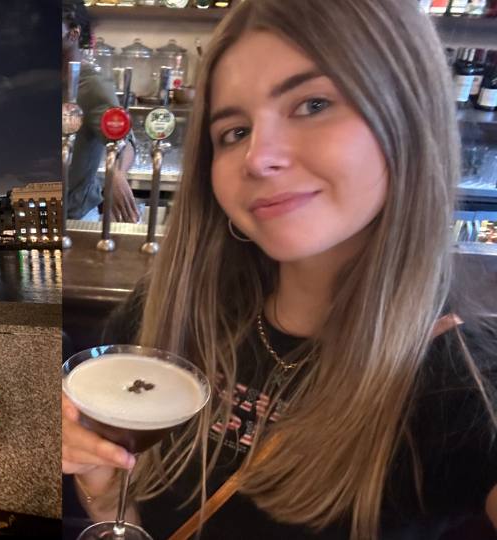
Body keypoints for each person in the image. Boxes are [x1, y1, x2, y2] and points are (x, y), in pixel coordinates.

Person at [61, 0, 497, 538]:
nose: (258, 157)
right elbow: (125, 523)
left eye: (313, 104)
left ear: (408, 116)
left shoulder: (468, 387)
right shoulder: (164, 313)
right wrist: (105, 491)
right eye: (234, 132)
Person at [62, 0, 140, 224]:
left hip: (73, 217)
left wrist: (115, 173)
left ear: (73, 33)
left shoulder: (91, 85)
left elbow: (125, 141)